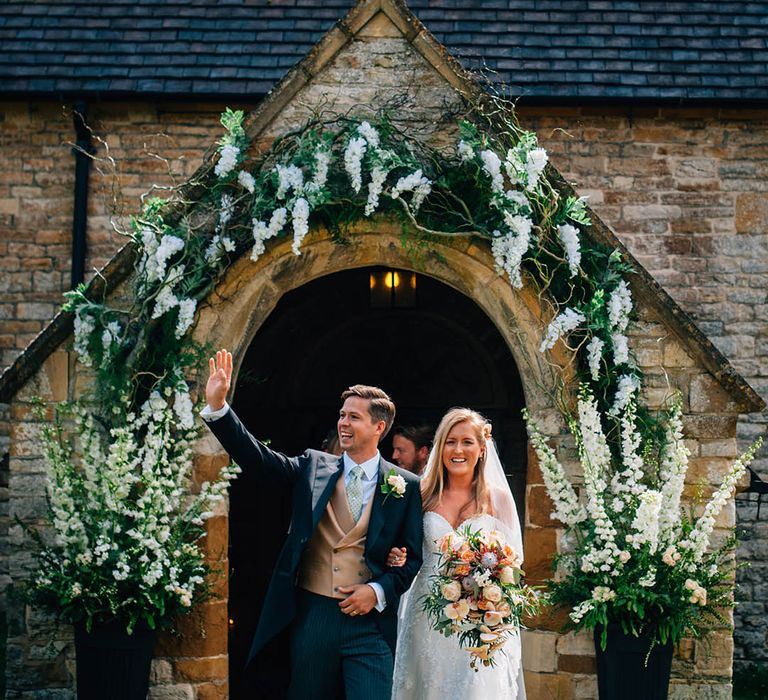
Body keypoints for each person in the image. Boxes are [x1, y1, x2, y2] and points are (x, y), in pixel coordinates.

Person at [202, 349, 424, 700]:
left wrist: (378, 591)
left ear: (379, 427)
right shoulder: (314, 466)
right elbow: (259, 460)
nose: (343, 423)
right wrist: (219, 409)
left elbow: (412, 558)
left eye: (354, 417)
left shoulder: (406, 486)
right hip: (313, 615)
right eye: (342, 415)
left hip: (370, 624)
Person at [390, 407, 526, 700]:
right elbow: (405, 548)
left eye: (467, 442)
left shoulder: (497, 499)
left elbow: (514, 565)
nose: (458, 449)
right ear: (440, 447)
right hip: (425, 616)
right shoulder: (422, 494)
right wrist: (396, 557)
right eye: (450, 441)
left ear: (481, 448)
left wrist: (492, 596)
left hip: (479, 620)